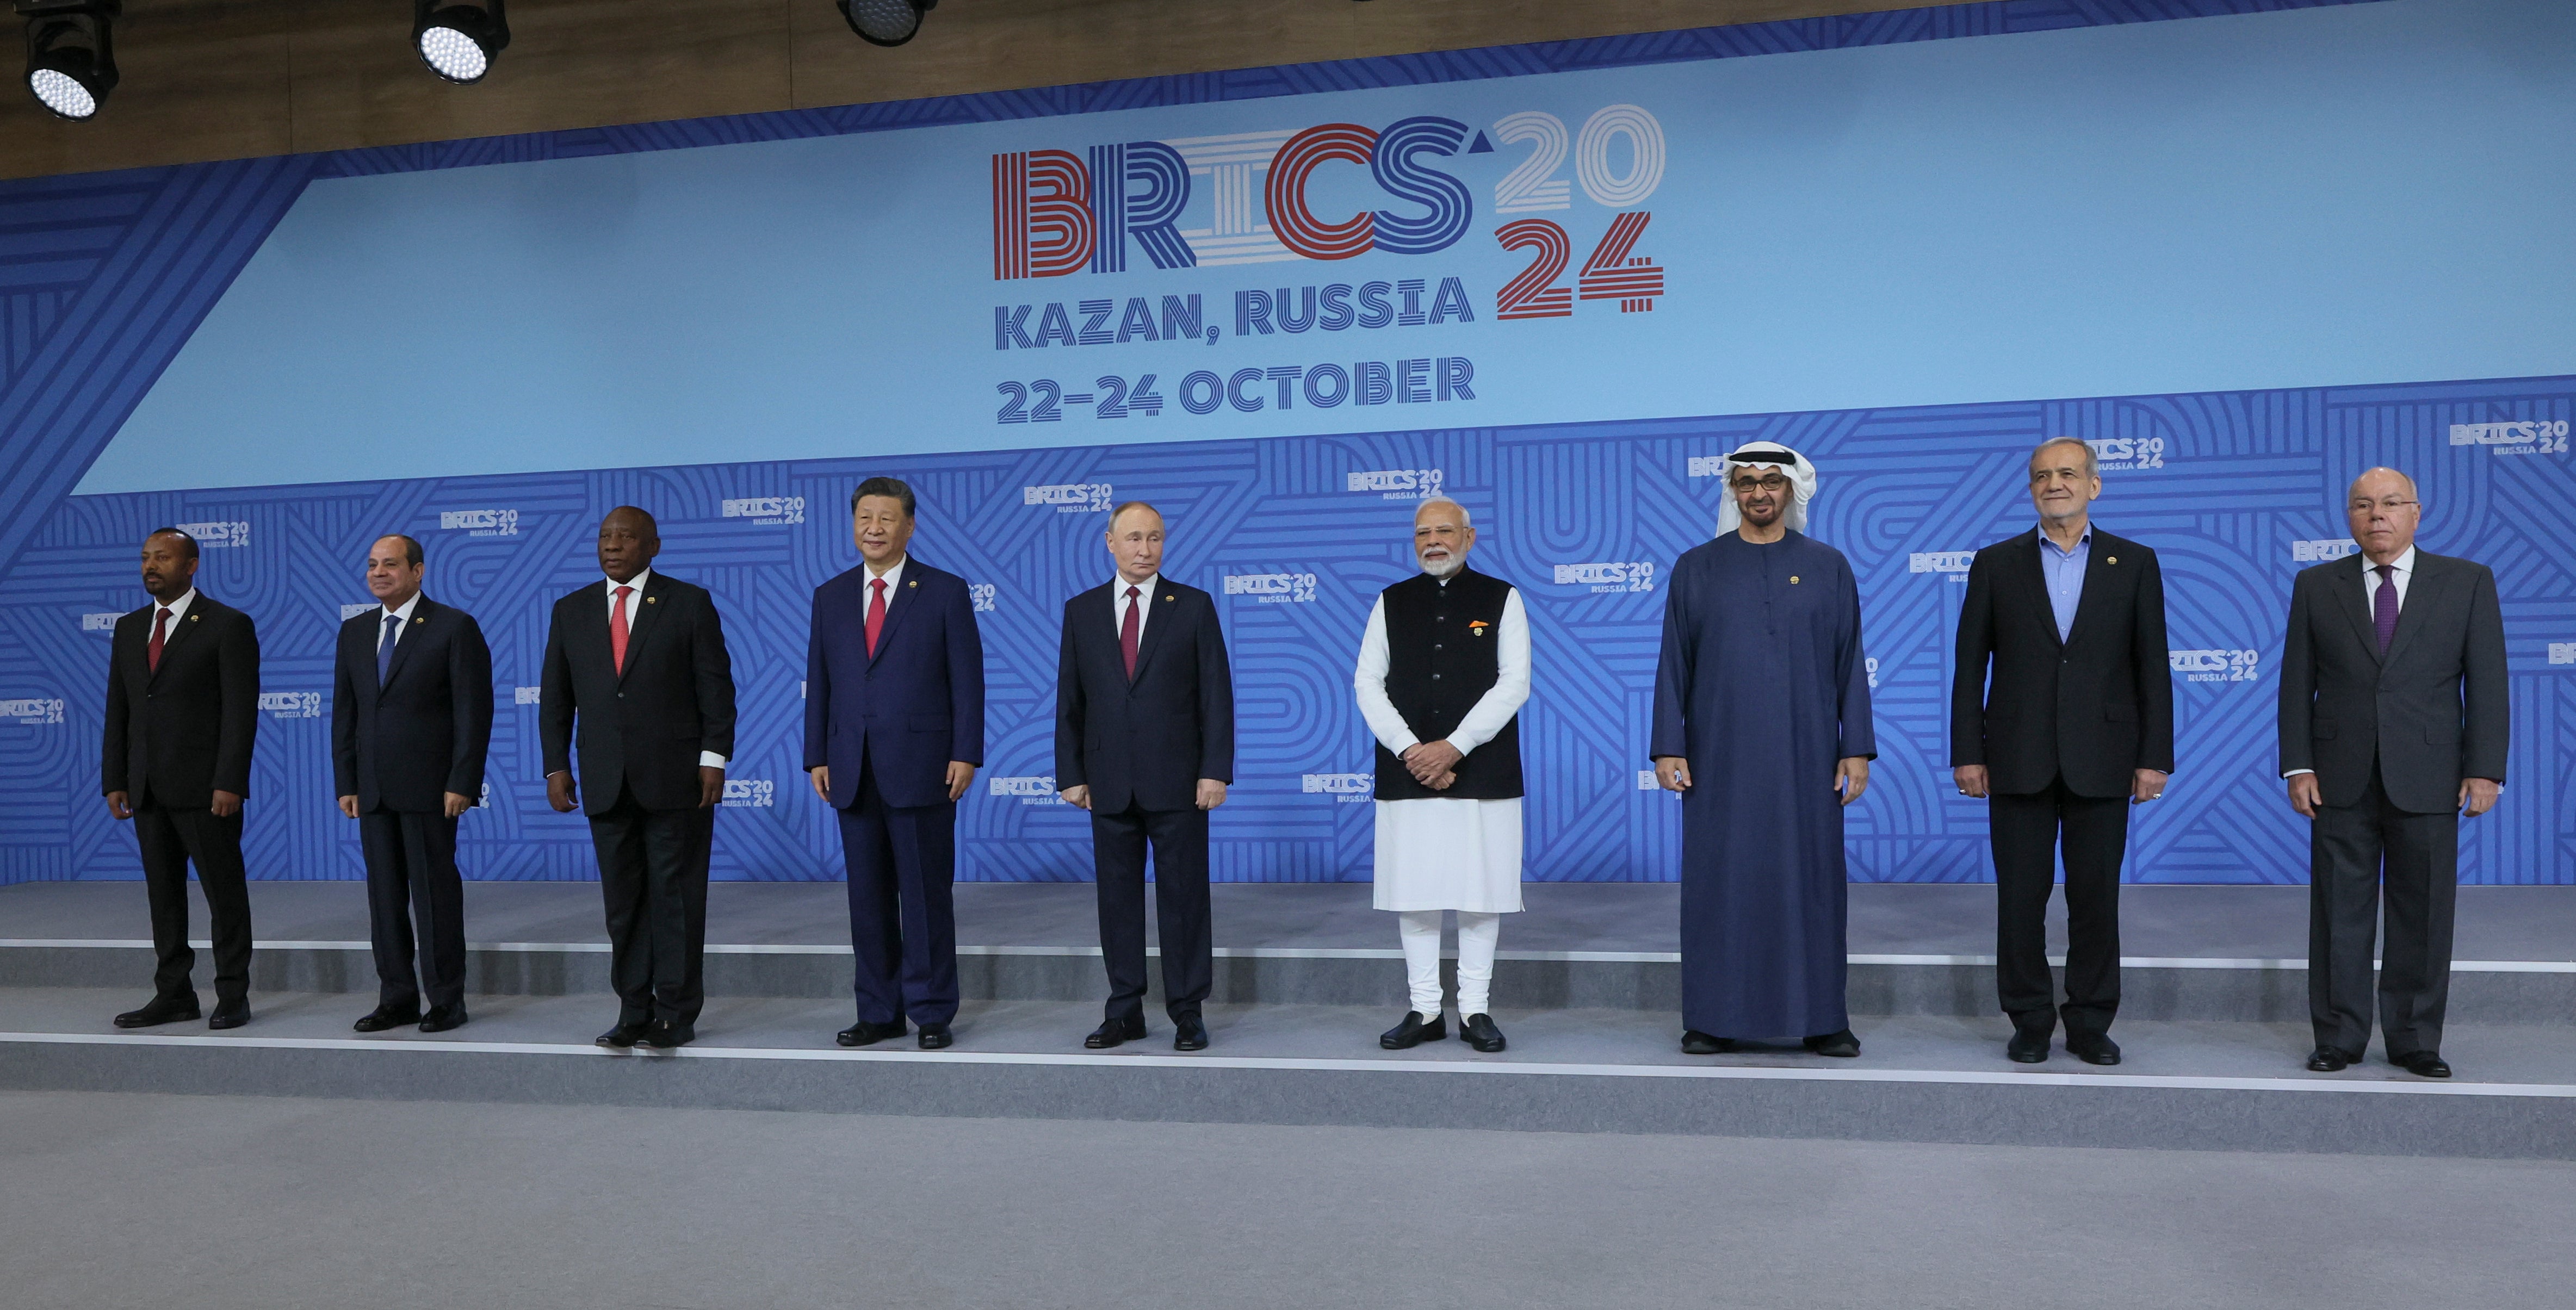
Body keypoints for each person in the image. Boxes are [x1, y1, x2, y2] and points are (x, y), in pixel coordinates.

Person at [1950, 438, 2173, 1066]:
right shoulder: (1995, 564)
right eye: (2042, 476)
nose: (2054, 484)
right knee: (2019, 899)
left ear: (2093, 486)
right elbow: (1969, 667)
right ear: (2030, 490)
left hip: (2103, 756)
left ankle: (2089, 1021)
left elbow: (2151, 666)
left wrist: (2153, 757)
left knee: (2095, 898)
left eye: (2067, 473)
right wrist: (1968, 752)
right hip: (2015, 756)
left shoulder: (2133, 563)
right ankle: (2026, 1019)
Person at [2280, 468, 2506, 1079]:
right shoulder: (2314, 584)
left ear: (2415, 511)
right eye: (2361, 505)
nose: (2375, 515)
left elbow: (2486, 682)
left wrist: (2483, 770)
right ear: (2347, 516)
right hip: (2336, 775)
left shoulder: (2465, 583)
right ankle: (2338, 1036)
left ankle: (2413, 1039)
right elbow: (2295, 681)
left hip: (2429, 774)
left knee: (2424, 912)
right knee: (2338, 913)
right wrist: (2297, 765)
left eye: (2388, 504)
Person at [1650, 443, 1873, 1058]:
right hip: (1719, 756)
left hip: (1806, 758)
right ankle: (1711, 1018)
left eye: (1769, 483)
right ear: (1732, 493)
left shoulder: (1828, 566)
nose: (1757, 494)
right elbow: (1674, 664)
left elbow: (1849, 663)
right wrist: (1669, 745)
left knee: (1812, 882)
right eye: (1745, 484)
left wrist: (1853, 748)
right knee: (1719, 883)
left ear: (1790, 490)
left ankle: (1823, 1017)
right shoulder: (1694, 567)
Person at [541, 507, 736, 1051]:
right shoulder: (571, 610)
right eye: (605, 536)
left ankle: (675, 1011)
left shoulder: (688, 603)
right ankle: (632, 1009)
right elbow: (556, 699)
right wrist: (556, 766)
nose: (613, 545)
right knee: (623, 904)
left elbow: (716, 690)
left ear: (653, 546)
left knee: (674, 899)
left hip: (677, 779)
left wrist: (713, 759)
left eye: (626, 537)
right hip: (605, 780)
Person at [807, 477, 983, 1051]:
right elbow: (823, 683)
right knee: (867, 899)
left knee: (925, 897)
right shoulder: (829, 595)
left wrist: (965, 752)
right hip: (850, 768)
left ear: (909, 526)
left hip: (924, 765)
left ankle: (931, 1011)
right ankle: (879, 1010)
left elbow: (967, 682)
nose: (874, 529)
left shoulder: (943, 591)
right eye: (864, 518)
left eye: (886, 519)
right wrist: (817, 754)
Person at [1352, 497, 1529, 1053]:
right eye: (1423, 532)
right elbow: (1366, 684)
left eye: (1444, 531)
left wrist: (1452, 748)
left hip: (1483, 768)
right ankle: (1425, 1009)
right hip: (1407, 771)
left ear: (1469, 537)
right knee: (1416, 893)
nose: (1433, 541)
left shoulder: (1501, 598)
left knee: (1481, 895)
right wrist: (1412, 751)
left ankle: (1475, 1009)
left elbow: (1513, 684)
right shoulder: (1390, 601)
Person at [1055, 502, 1234, 1052]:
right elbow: (1070, 701)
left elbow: (1215, 697)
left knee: (1183, 900)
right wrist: (1071, 773)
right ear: (1109, 543)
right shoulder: (1081, 611)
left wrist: (1214, 771)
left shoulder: (1194, 607)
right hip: (1107, 780)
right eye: (1133, 538)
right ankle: (1124, 1010)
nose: (1144, 548)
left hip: (1180, 781)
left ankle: (1186, 1011)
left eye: (1154, 538)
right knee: (1117, 902)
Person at [331, 533, 493, 1035]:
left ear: (418, 571)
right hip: (374, 789)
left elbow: (474, 711)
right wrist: (347, 780)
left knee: (434, 898)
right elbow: (346, 714)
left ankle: (446, 999)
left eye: (392, 564)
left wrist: (462, 779)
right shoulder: (355, 632)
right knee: (384, 900)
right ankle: (396, 997)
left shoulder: (453, 627)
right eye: (373, 564)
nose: (380, 572)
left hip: (432, 790)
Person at [102, 527, 262, 1030]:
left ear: (191, 565)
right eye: (146, 557)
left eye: (163, 558)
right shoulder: (129, 628)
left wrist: (230, 780)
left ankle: (233, 994)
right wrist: (115, 778)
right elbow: (119, 708)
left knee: (224, 895)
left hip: (207, 789)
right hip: (147, 787)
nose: (152, 566)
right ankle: (174, 994)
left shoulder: (227, 625)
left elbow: (240, 712)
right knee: (164, 899)